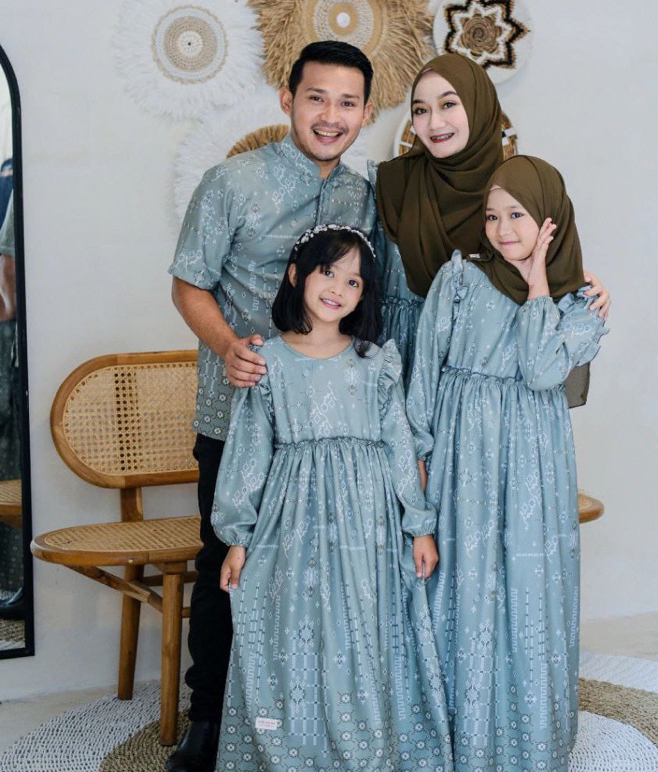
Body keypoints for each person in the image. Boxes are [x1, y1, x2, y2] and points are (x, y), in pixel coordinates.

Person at [168, 41, 376, 772]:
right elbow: (189, 282)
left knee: (321, 572)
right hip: (239, 416)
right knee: (225, 564)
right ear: (288, 99)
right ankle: (206, 722)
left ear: (366, 113)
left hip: (326, 432)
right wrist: (228, 345)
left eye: (347, 102)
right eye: (316, 97)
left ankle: (308, 716)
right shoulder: (232, 182)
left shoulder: (364, 197)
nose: (331, 115)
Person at [212, 225, 454, 772]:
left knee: (362, 628)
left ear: (364, 295)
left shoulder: (374, 362)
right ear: (296, 275)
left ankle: (365, 746)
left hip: (367, 524)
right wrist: (237, 539)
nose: (338, 289)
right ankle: (300, 748)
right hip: (292, 523)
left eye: (354, 281)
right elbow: (250, 452)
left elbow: (399, 446)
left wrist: (419, 525)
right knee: (296, 627)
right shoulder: (267, 362)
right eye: (328, 272)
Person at [405, 155, 608, 771]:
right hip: (462, 452)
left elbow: (543, 371)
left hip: (532, 462)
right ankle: (459, 735)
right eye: (492, 217)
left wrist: (539, 283)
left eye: (517, 215)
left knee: (526, 582)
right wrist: (419, 454)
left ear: (550, 221)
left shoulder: (581, 305)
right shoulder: (459, 277)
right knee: (462, 580)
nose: (501, 229)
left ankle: (525, 738)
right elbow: (425, 370)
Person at [374, 53, 610, 401]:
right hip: (397, 368)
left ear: (479, 106)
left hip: (484, 398)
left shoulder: (509, 196)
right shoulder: (391, 184)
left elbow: (539, 271)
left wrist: (575, 283)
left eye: (448, 104)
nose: (434, 122)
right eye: (421, 110)